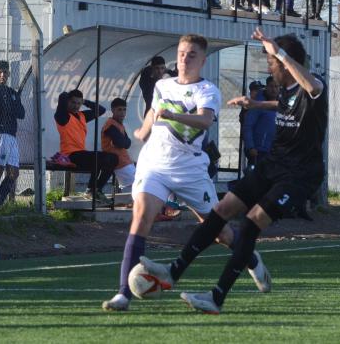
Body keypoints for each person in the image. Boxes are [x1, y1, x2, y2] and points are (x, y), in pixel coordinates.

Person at [135, 27, 326, 315]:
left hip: (299, 174)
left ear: (286, 63)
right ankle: (172, 273)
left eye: (272, 62)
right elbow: (284, 105)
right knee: (221, 209)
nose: (270, 67)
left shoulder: (313, 86)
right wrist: (256, 104)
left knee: (250, 223)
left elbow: (311, 90)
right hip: (273, 163)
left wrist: (281, 54)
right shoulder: (286, 92)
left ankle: (216, 297)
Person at [102, 34, 272, 312]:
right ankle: (123, 294)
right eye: (181, 53)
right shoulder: (162, 84)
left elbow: (204, 121)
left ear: (202, 60)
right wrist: (145, 130)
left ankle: (251, 259)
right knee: (141, 216)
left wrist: (172, 116)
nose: (184, 58)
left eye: (191, 54)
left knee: (219, 232)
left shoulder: (208, 90)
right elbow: (153, 111)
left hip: (189, 169)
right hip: (155, 162)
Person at [54, 89, 118, 203]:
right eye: (73, 102)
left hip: (81, 153)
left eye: (78, 103)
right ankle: (91, 190)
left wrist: (85, 102)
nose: (76, 106)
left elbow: (101, 110)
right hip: (70, 155)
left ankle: (95, 189)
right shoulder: (62, 116)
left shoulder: (82, 115)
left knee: (113, 158)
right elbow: (62, 97)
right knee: (98, 158)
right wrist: (66, 95)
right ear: (67, 102)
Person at [0, 60, 26, 208]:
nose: (2, 75)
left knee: (14, 172)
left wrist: (11, 105)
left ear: (9, 74)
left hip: (11, 134)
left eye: (5, 72)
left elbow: (21, 113)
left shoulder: (12, 93)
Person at [101, 98, 135, 194]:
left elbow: (127, 143)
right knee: (140, 184)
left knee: (140, 184)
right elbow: (121, 143)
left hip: (125, 160)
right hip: (118, 161)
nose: (122, 112)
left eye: (124, 109)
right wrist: (124, 141)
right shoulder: (110, 125)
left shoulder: (119, 125)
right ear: (112, 110)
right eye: (119, 109)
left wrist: (125, 141)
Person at [243, 76, 278, 166]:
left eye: (276, 86)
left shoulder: (283, 103)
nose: (273, 89)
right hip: (260, 152)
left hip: (277, 152)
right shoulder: (258, 104)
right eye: (271, 86)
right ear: (266, 87)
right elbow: (248, 126)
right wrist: (250, 147)